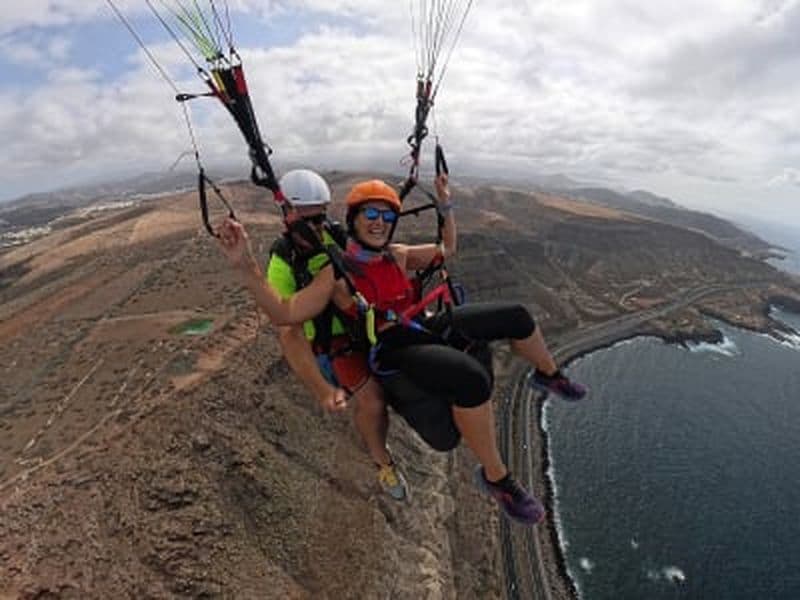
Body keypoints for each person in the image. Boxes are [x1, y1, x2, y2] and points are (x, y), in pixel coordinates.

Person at [217, 174, 587, 525]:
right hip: (389, 345)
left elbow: (448, 249)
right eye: (370, 215)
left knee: (516, 316)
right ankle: (498, 480)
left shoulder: (398, 253)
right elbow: (286, 313)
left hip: (416, 325)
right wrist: (245, 265)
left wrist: (445, 206)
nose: (379, 222)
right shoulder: (335, 273)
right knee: (463, 381)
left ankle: (548, 374)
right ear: (354, 220)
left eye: (386, 216)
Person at [263, 169, 408, 501]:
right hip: (333, 346)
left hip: (363, 325)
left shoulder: (333, 236)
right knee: (373, 402)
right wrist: (321, 388)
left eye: (320, 218)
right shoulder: (283, 263)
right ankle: (383, 462)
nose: (316, 227)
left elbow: (369, 252)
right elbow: (289, 332)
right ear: (289, 217)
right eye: (308, 220)